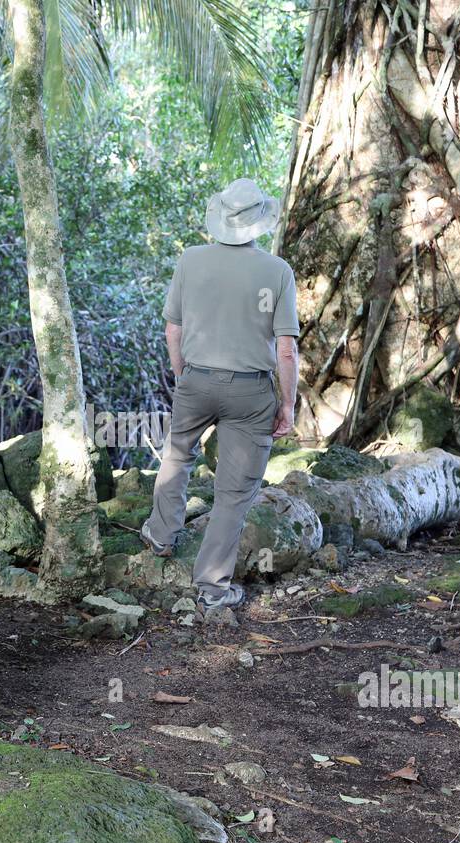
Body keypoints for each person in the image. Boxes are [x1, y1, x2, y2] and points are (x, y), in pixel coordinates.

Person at [140, 178, 301, 611]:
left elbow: (173, 329)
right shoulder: (277, 271)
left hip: (196, 379)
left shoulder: (190, 261)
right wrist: (287, 404)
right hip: (251, 393)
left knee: (177, 457)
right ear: (257, 223)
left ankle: (160, 536)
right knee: (233, 493)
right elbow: (286, 348)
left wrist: (184, 377)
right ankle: (212, 589)